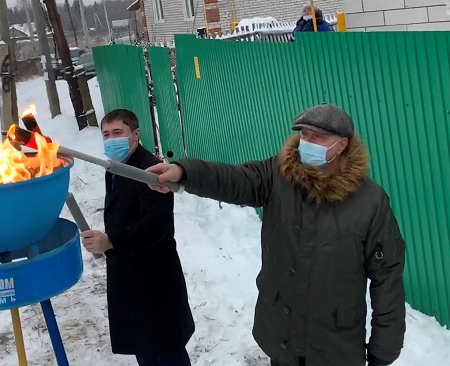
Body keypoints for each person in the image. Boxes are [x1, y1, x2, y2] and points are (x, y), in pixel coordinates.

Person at [147, 104, 406, 366]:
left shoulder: (370, 202)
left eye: (319, 137)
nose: (308, 142)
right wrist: (184, 172)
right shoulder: (278, 173)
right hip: (282, 337)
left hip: (334, 347)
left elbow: (387, 280)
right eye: (305, 134)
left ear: (342, 145)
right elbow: (235, 179)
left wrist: (382, 352)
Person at [80, 108, 195, 366]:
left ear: (135, 134)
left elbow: (157, 226)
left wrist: (111, 241)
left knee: (166, 350)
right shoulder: (116, 168)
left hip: (155, 276)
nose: (111, 140)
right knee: (143, 346)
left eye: (117, 133)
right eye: (106, 134)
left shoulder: (149, 169)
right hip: (129, 274)